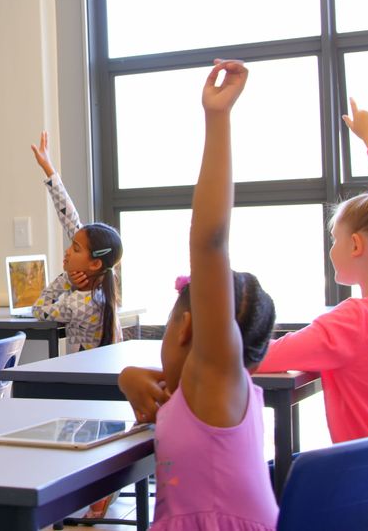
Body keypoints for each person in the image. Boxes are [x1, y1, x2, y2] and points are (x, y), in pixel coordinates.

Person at [118, 59, 279, 529]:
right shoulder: (208, 393)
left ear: (188, 326)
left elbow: (209, 243)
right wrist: (127, 377)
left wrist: (217, 117)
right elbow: (155, 382)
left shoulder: (216, 379)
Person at [255, 98, 368, 497]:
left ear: (355, 245)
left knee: (266, 481)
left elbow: (261, 359)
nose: (331, 249)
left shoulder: (350, 322)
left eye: (334, 240)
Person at [28, 131, 123, 352]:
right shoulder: (102, 293)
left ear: (95, 263)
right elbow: (71, 221)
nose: (68, 251)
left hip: (82, 372)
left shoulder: (76, 303)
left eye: (75, 248)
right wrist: (48, 169)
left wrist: (66, 280)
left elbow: (38, 309)